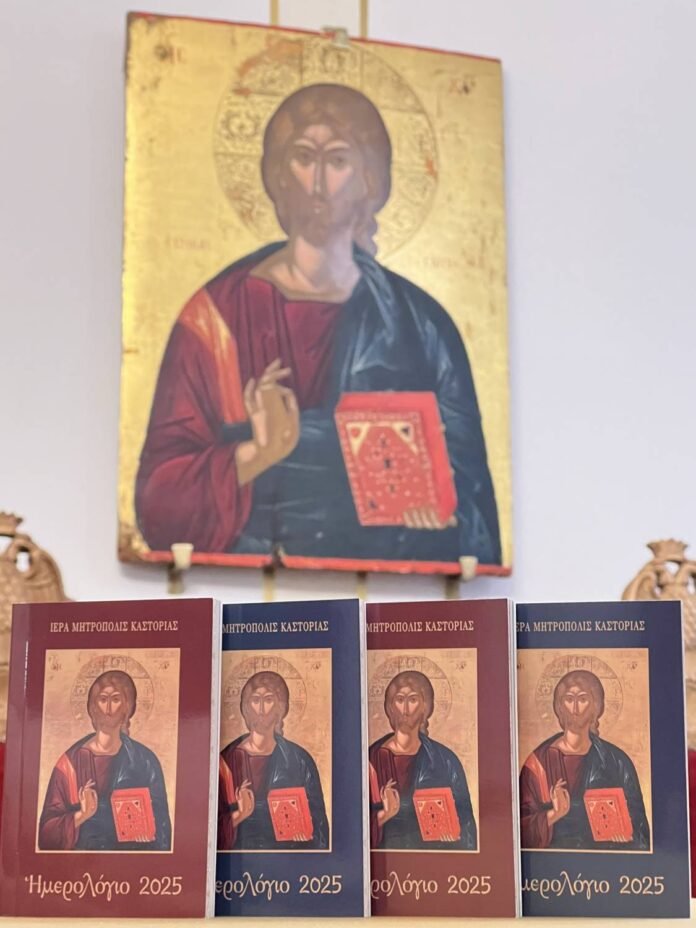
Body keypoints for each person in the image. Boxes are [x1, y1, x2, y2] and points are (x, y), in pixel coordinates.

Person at [135, 82, 501, 569]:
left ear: (369, 180)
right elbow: (159, 501)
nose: (318, 182)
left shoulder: (421, 325)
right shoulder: (216, 316)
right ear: (277, 174)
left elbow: (471, 500)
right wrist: (258, 453)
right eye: (303, 157)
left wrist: (437, 519)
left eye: (339, 160)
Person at [38, 670, 171, 850]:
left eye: (115, 700)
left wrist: (147, 832)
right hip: (83, 864)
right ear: (93, 707)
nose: (108, 709)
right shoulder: (70, 763)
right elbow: (46, 836)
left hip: (131, 862)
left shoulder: (144, 761)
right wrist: (82, 815)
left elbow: (163, 831)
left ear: (127, 707)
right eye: (102, 699)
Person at [520, 669, 650, 850]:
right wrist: (554, 814)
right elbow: (518, 832)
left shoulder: (616, 761)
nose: (574, 709)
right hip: (553, 864)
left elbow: (641, 831)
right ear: (559, 706)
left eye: (582, 699)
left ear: (596, 706)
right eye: (568, 699)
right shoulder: (538, 763)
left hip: (602, 863)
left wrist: (626, 834)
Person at [218, 670, 329, 850]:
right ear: (246, 707)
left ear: (280, 708)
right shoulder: (226, 761)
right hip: (241, 858)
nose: (261, 709)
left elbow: (320, 827)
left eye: (268, 700)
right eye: (255, 700)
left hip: (287, 858)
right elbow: (208, 831)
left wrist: (305, 838)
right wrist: (240, 814)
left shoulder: (299, 759)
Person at [369, 670, 477, 850]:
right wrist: (384, 814)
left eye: (413, 700)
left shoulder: (445, 760)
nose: (405, 710)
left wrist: (452, 836)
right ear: (390, 706)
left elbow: (466, 826)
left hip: (431, 860)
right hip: (386, 859)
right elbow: (351, 829)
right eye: (399, 700)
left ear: (425, 707)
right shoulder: (371, 760)